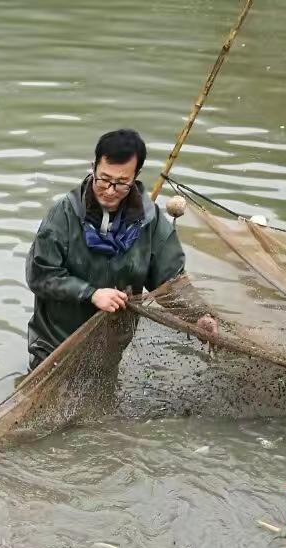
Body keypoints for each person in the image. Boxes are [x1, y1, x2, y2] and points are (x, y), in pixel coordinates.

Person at [25, 128, 216, 369]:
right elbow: (40, 274)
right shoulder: (63, 214)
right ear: (93, 167)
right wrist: (91, 293)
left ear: (135, 176)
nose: (110, 190)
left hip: (109, 350)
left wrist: (198, 315)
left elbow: (170, 281)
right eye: (104, 179)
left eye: (121, 183)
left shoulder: (150, 221)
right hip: (54, 348)